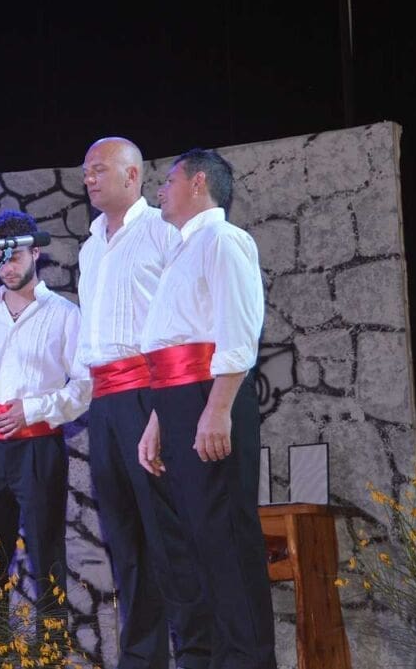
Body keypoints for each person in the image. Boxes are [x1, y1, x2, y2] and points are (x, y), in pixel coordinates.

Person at [138, 148, 276, 669]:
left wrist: (217, 410)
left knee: (225, 539)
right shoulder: (182, 250)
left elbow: (237, 330)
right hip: (178, 402)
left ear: (198, 182)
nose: (159, 190)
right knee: (197, 542)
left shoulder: (223, 239)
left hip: (208, 397)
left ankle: (249, 660)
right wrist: (158, 419)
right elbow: (175, 341)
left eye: (168, 180)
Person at [77, 137, 212, 668]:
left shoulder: (162, 230)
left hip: (152, 394)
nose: (88, 178)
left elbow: (187, 316)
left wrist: (165, 406)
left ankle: (198, 654)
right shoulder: (90, 246)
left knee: (167, 533)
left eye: (99, 169)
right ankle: (142, 659)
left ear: (132, 175)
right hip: (105, 402)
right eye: (86, 171)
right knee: (125, 539)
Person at [0, 210, 89, 633]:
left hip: (38, 446)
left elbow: (85, 386)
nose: (6, 267)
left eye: (14, 257)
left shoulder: (63, 314)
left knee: (47, 554)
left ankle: (51, 650)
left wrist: (33, 409)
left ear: (35, 253)